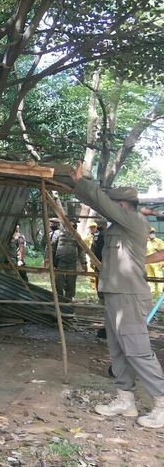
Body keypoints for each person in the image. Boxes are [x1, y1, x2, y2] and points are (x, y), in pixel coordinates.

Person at [71, 164, 164, 428]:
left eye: (114, 205)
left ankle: (161, 404)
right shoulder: (119, 226)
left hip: (129, 295)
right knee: (117, 348)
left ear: (123, 205)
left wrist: (84, 184)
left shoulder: (133, 221)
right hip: (114, 293)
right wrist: (81, 185)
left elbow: (102, 204)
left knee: (137, 350)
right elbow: (101, 203)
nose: (110, 209)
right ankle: (125, 400)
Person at [53, 220, 86, 300]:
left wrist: (84, 263)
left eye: (72, 225)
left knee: (71, 282)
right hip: (59, 262)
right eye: (68, 225)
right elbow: (51, 247)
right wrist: (47, 259)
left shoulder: (77, 235)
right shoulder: (58, 234)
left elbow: (81, 250)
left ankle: (69, 299)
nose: (70, 227)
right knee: (58, 281)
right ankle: (60, 298)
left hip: (72, 262)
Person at [146, 228, 164, 297]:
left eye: (152, 232)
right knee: (150, 278)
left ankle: (160, 294)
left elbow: (163, 252)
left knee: (159, 277)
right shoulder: (146, 242)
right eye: (150, 232)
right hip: (148, 263)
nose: (151, 233)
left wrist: (162, 262)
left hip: (157, 263)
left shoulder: (159, 241)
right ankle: (152, 293)